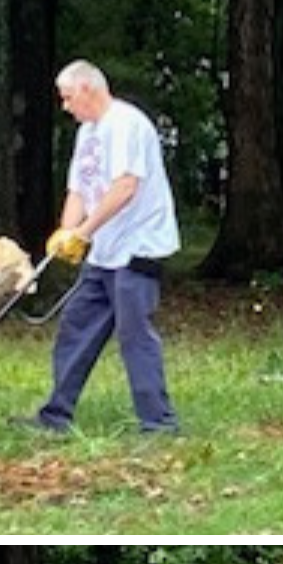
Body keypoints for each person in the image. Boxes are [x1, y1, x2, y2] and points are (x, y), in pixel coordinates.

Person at [16, 60, 182, 436]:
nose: (65, 106)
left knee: (133, 332)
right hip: (105, 251)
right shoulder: (87, 133)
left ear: (89, 89)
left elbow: (125, 187)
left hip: (139, 246)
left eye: (68, 97)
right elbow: (80, 188)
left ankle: (159, 423)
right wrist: (65, 231)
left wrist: (85, 232)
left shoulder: (126, 125)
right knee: (76, 325)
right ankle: (55, 417)